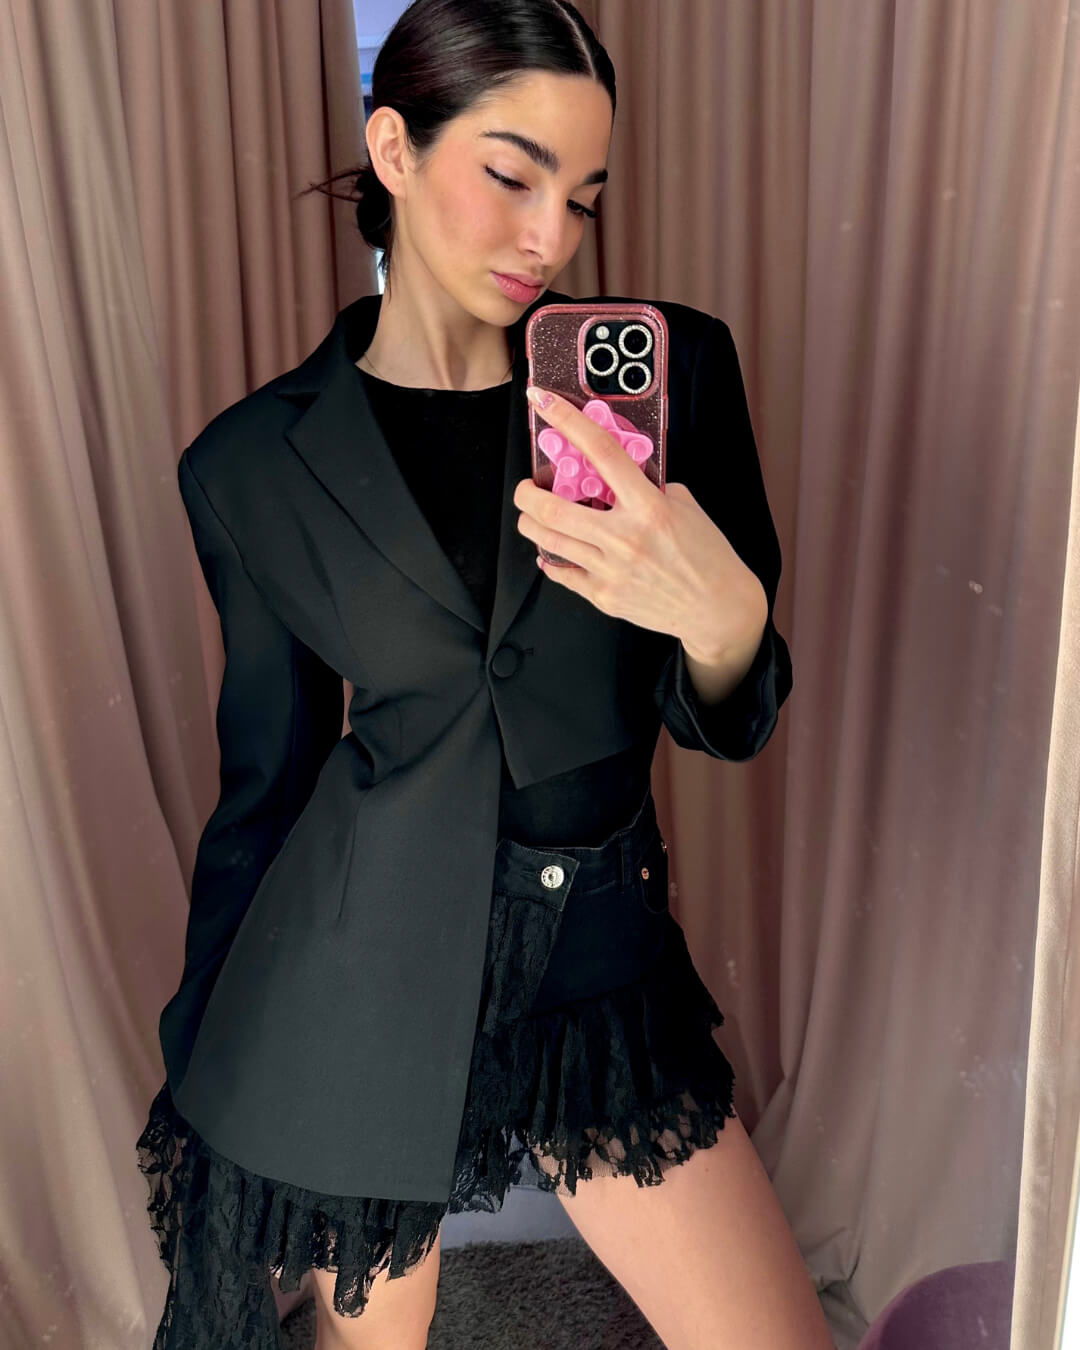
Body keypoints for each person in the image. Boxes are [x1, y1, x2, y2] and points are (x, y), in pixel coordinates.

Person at [136, 2, 833, 1348]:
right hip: (363, 968)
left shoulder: (667, 372)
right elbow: (268, 784)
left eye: (583, 197)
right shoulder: (250, 466)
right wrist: (209, 1046)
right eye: (513, 175)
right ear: (393, 148)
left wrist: (725, 617)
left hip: (597, 967)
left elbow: (728, 716)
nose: (550, 237)